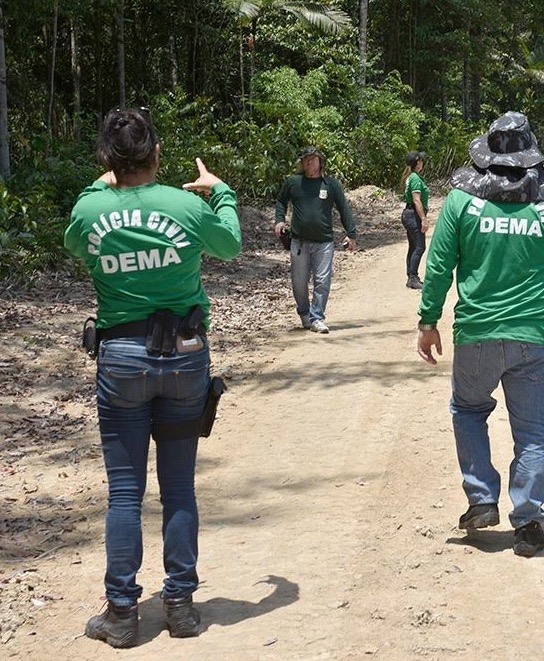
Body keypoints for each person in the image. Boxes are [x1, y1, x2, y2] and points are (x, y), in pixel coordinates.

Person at [64, 107, 242, 647]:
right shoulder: (186, 204)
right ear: (157, 153)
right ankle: (181, 606)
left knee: (125, 492)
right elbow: (230, 244)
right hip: (186, 358)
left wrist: (104, 183)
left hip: (120, 359)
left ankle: (121, 613)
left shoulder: (90, 209)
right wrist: (221, 190)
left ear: (106, 157)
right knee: (179, 485)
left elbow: (76, 243)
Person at [416, 111, 544, 558]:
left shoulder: (461, 203)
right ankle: (528, 521)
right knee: (532, 432)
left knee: (468, 410)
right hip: (534, 335)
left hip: (476, 335)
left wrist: (429, 320)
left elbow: (438, 266)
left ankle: (482, 498)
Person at [273, 146, 358, 333]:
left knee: (322, 280)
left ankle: (317, 317)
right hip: (299, 242)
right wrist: (279, 220)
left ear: (320, 161)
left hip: (324, 241)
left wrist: (351, 233)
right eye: (305, 160)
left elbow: (343, 208)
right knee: (299, 282)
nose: (308, 163)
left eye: (312, 159)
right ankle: (304, 314)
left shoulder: (330, 184)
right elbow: (281, 201)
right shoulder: (293, 182)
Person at [400, 150, 429, 290]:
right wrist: (423, 219)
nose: (422, 162)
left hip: (409, 214)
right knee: (420, 246)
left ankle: (411, 276)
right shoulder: (415, 179)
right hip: (413, 215)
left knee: (413, 246)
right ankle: (413, 277)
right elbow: (417, 201)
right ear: (418, 162)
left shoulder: (412, 177)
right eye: (421, 160)